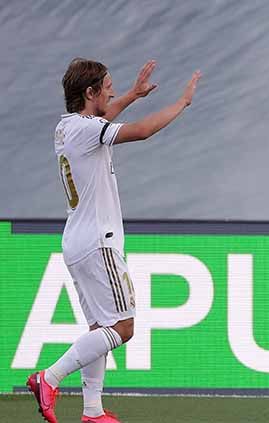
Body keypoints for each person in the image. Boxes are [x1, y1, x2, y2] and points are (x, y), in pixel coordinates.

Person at [27, 58, 200, 423]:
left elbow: (103, 118)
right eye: (107, 87)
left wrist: (134, 95)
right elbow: (141, 131)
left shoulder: (68, 128)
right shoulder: (88, 130)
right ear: (89, 93)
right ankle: (50, 378)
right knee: (123, 327)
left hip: (78, 239)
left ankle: (92, 412)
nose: (112, 91)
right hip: (98, 242)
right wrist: (182, 103)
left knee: (99, 329)